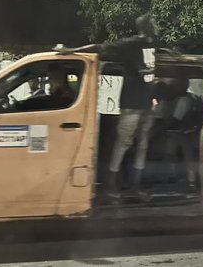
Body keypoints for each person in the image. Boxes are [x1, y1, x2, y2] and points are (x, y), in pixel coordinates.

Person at [55, 14, 158, 198]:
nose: (158, 26)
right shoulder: (131, 44)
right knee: (124, 143)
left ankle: (136, 186)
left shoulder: (154, 44)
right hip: (132, 103)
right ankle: (111, 184)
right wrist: (71, 50)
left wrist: (173, 52)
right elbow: (100, 47)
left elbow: (161, 54)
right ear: (147, 26)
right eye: (154, 23)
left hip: (147, 103)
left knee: (143, 145)